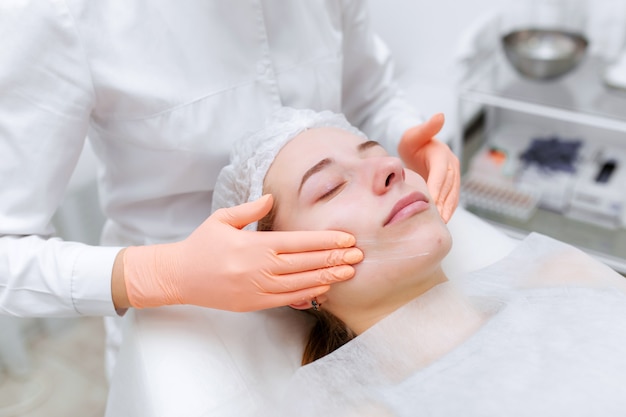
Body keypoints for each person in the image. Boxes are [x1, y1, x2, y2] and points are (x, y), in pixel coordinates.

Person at [0, 1, 460, 378]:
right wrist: (162, 273)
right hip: (188, 326)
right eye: (329, 187)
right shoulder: (58, 13)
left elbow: (370, 94)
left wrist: (400, 138)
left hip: (343, 293)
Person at [212, 107, 626, 416]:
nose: (392, 167)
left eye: (378, 154)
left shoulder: (562, 281)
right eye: (331, 187)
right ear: (294, 278)